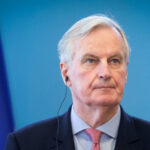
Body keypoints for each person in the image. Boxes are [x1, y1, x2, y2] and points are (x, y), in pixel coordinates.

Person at [5, 14, 150, 150]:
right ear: (65, 73)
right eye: (91, 60)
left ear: (125, 72)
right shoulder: (25, 144)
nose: (105, 73)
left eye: (114, 61)